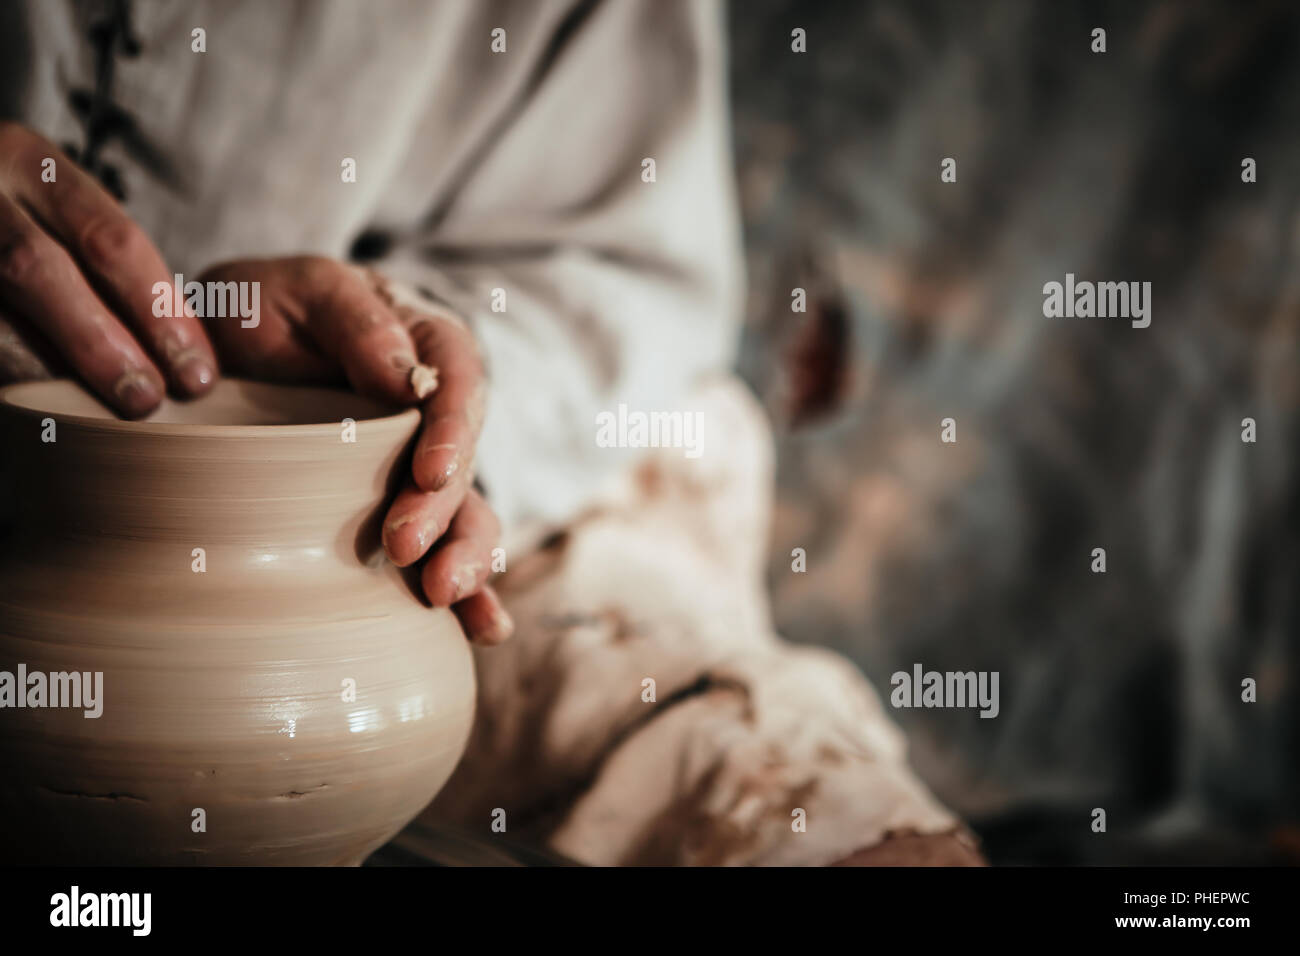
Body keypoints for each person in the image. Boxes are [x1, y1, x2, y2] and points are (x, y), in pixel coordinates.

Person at [0, 0, 978, 865]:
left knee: (796, 800)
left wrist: (417, 360)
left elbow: (615, 269)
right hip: (45, 531)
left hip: (382, 524)